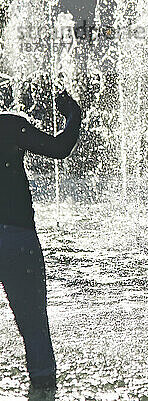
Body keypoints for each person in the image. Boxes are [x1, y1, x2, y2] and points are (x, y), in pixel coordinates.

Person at [0, 90, 81, 391]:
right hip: (17, 237)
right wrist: (73, 115)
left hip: (16, 236)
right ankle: (44, 387)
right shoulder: (9, 126)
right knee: (34, 329)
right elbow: (59, 148)